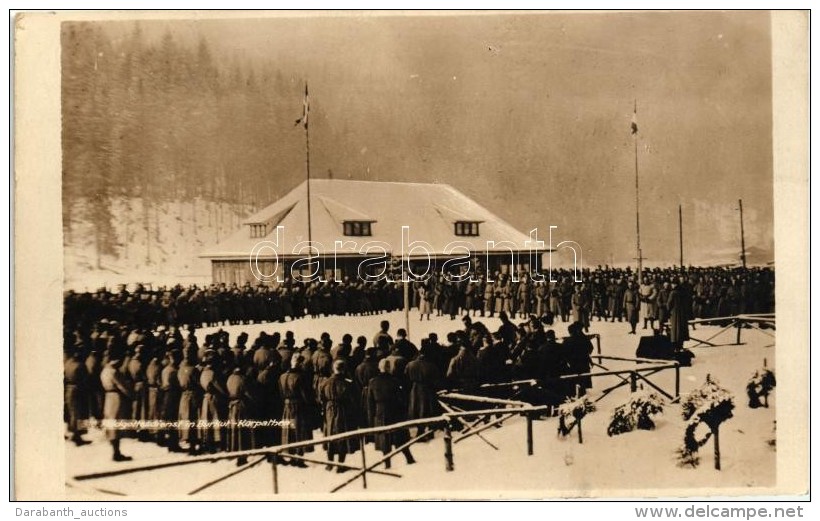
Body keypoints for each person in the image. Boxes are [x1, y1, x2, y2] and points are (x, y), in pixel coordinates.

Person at [367, 359, 416, 469]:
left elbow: (370, 402)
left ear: (380, 368)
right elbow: (402, 399)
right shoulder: (395, 381)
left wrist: (372, 417)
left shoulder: (372, 382)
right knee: (400, 436)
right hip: (395, 411)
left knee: (385, 438)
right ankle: (409, 458)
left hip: (380, 412)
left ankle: (387, 463)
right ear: (389, 368)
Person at [319, 360, 360, 472]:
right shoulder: (347, 383)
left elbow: (321, 398)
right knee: (342, 434)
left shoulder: (325, 382)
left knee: (329, 433)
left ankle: (329, 463)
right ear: (343, 369)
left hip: (329, 410)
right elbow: (353, 400)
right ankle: (340, 464)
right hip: (343, 410)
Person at [279, 353, 315, 467]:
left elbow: (281, 393)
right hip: (298, 406)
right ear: (299, 363)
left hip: (286, 405)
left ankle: (291, 455)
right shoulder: (300, 377)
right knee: (299, 431)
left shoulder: (282, 376)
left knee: (289, 431)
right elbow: (305, 395)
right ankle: (299, 458)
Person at [405, 341, 444, 438]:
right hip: (428, 389)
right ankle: (430, 431)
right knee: (428, 409)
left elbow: (405, 377)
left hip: (415, 389)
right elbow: (437, 380)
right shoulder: (432, 366)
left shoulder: (410, 364)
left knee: (416, 409)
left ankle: (420, 431)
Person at [100, 357, 134, 462]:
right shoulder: (114, 372)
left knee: (111, 424)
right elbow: (122, 387)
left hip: (108, 397)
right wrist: (132, 395)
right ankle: (116, 453)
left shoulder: (104, 371)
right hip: (116, 398)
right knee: (116, 425)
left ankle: (115, 451)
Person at [64, 346, 91, 446]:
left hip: (69, 389)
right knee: (79, 413)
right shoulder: (81, 365)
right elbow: (86, 379)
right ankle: (77, 436)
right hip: (79, 390)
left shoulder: (68, 363)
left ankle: (73, 432)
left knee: (72, 412)